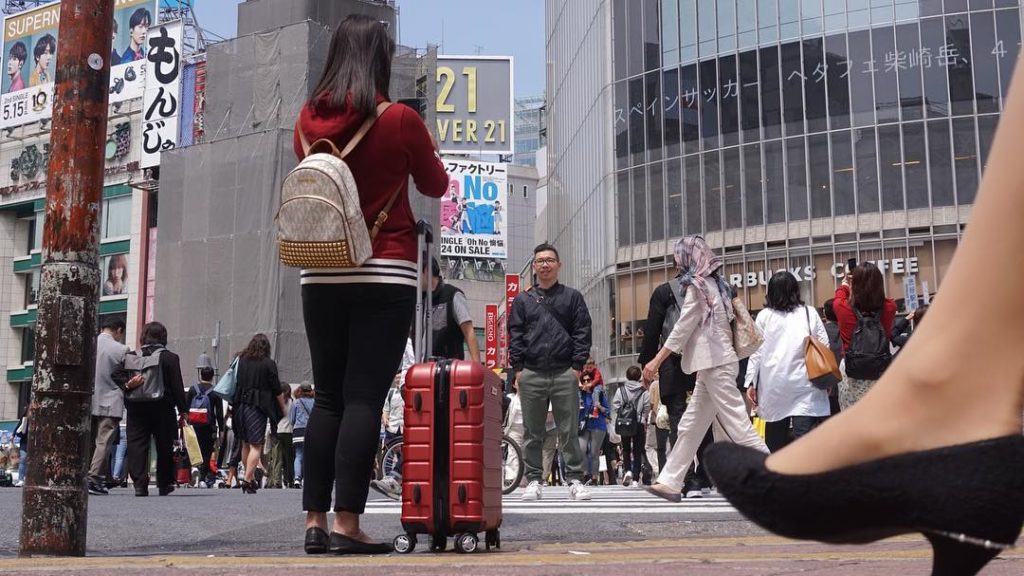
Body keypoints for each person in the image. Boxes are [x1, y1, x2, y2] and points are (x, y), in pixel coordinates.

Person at [704, 55, 1024, 576]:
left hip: (847, 379)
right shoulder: (880, 305)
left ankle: (953, 392)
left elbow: (819, 323)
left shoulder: (826, 307)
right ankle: (955, 394)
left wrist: (841, 295)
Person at [294, 14, 448, 556]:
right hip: (384, 270)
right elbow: (436, 183)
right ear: (380, 59)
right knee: (363, 398)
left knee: (328, 399)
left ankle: (313, 521)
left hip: (321, 269)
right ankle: (347, 524)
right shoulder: (400, 119)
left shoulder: (307, 121)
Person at [641, 236, 768, 503]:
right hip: (713, 364)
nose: (676, 261)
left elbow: (681, 329)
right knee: (690, 425)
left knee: (737, 424)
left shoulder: (698, 287)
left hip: (716, 365)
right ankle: (670, 482)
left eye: (679, 256)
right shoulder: (716, 284)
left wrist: (655, 361)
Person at [509, 242, 594, 502]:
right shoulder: (522, 300)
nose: (544, 264)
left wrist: (577, 367)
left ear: (559, 265)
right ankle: (534, 479)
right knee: (532, 431)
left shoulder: (572, 297)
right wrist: (519, 369)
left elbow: (582, 332)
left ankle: (575, 480)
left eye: (549, 260)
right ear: (534, 266)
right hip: (532, 372)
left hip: (564, 372)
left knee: (568, 430)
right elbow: (515, 334)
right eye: (540, 261)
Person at [638, 268, 716, 496]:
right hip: (703, 358)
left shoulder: (664, 291)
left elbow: (653, 330)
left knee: (678, 417)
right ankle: (704, 477)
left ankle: (686, 479)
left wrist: (649, 363)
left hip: (672, 360)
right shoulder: (711, 288)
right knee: (704, 417)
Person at [743, 272, 831, 453]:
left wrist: (750, 382)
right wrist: (827, 378)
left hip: (774, 386)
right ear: (795, 290)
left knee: (775, 442)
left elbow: (756, 353)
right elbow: (824, 345)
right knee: (804, 443)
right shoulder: (809, 312)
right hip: (807, 384)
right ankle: (804, 477)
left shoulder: (764, 317)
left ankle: (778, 476)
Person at [124, 322, 189, 497]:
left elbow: (119, 377)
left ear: (143, 336)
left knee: (137, 444)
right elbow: (177, 385)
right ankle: (164, 482)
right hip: (163, 406)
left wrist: (128, 387)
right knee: (165, 444)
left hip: (136, 406)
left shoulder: (131, 356)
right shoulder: (170, 358)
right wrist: (183, 409)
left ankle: (139, 483)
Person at [832, 263, 897, 410]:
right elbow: (885, 300)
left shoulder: (841, 307)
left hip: (852, 371)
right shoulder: (890, 308)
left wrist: (845, 284)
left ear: (854, 284)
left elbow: (839, 295)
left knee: (851, 419)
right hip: (880, 371)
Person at [231, 334, 283, 494]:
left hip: (239, 404)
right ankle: (247, 479)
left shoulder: (240, 360)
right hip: (258, 406)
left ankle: (250, 477)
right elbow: (276, 388)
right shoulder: (268, 364)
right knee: (256, 445)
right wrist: (282, 406)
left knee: (245, 443)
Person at [87, 316, 134, 495]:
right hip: (110, 400)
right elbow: (128, 376)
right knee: (103, 442)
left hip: (89, 399)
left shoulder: (89, 344)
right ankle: (94, 479)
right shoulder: (122, 349)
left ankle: (91, 476)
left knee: (89, 442)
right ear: (119, 330)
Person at [429, 258, 481, 361]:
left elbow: (468, 331)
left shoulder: (453, 295)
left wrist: (477, 367)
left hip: (449, 367)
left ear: (426, 270)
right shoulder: (419, 299)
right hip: (422, 368)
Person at [187, 353, 224, 487]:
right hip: (209, 426)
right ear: (212, 377)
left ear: (200, 375)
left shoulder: (192, 390)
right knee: (207, 451)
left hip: (193, 425)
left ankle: (194, 468)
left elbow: (186, 408)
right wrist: (222, 430)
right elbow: (219, 413)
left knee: (194, 448)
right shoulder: (215, 392)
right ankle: (202, 478)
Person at [613, 367, 650, 487]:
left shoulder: (621, 390)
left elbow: (616, 405)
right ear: (639, 376)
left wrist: (623, 412)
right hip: (638, 423)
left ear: (627, 376)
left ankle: (628, 470)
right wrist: (642, 417)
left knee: (626, 449)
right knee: (637, 451)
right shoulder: (644, 391)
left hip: (625, 423)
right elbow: (647, 407)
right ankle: (635, 479)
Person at [577, 370, 609, 485]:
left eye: (588, 380)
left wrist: (599, 407)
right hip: (583, 425)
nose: (586, 382)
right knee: (581, 449)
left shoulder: (599, 393)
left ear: (592, 381)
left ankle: (594, 477)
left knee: (594, 452)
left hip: (598, 424)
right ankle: (585, 474)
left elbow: (608, 411)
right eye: (583, 380)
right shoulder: (580, 394)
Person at [268, 383, 295, 489]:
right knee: (289, 458)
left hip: (277, 431)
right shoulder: (292, 402)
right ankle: (290, 480)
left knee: (276, 458)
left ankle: (276, 481)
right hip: (289, 431)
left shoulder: (275, 402)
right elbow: (293, 418)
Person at [289, 382, 314, 489]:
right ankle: (309, 478)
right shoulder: (315, 402)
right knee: (311, 456)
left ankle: (297, 479)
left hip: (298, 431)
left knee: (299, 456)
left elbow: (292, 420)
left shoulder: (296, 403)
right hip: (311, 431)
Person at [821, 298, 843, 415]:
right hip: (844, 384)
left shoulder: (820, 333)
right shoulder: (846, 331)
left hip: (824, 385)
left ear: (825, 313)